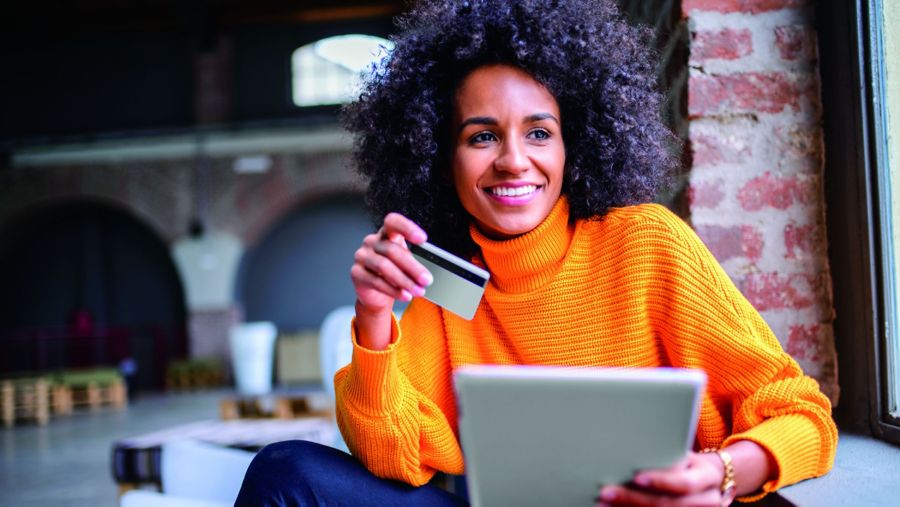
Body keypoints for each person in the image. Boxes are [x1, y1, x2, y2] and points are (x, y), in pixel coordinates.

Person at [236, 0, 837, 505]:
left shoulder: (647, 243)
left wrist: (721, 475)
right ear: (439, 156)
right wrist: (373, 320)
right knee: (283, 470)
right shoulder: (446, 277)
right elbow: (393, 456)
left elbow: (805, 418)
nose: (513, 160)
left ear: (576, 144)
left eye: (540, 132)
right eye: (481, 136)